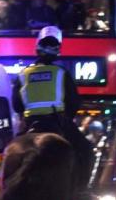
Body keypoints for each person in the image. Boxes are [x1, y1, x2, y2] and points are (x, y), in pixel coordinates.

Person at [12, 25, 94, 190]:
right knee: (86, 151)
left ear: (37, 48)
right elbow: (74, 102)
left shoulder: (23, 74)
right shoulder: (61, 73)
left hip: (30, 124)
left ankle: (9, 189)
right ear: (57, 51)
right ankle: (82, 190)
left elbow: (16, 105)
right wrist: (66, 117)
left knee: (11, 155)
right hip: (57, 122)